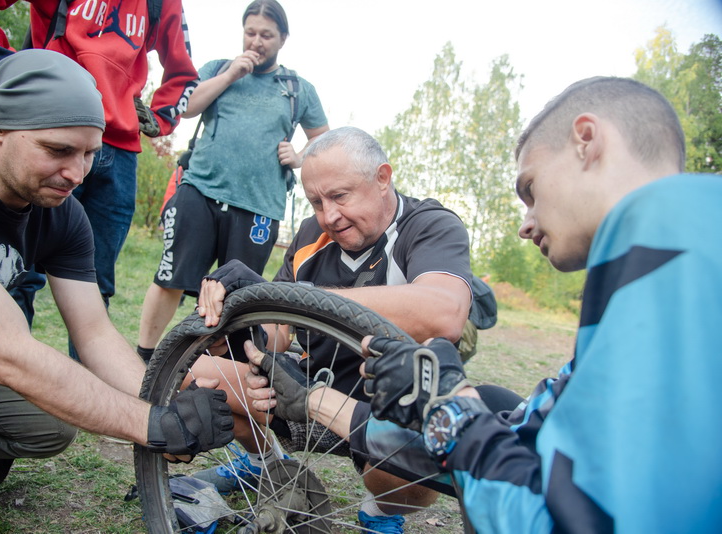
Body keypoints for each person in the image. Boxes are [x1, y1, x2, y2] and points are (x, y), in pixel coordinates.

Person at [250, 77, 722, 532]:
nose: (526, 223)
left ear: (587, 141)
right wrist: (320, 401)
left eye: (530, 189)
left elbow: (568, 519)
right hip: (345, 397)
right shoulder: (679, 245)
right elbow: (524, 444)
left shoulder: (665, 243)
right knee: (499, 404)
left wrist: (448, 410)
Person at [0, 50, 233, 490]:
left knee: (50, 423)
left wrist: (165, 403)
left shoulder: (61, 211)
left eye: (89, 153)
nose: (76, 173)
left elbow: (94, 333)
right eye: (58, 150)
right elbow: (6, 350)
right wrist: (150, 425)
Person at [193, 126, 482, 532]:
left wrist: (297, 296)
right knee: (202, 375)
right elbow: (278, 333)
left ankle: (382, 512)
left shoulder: (429, 225)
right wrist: (240, 328)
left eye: (340, 196)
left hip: (378, 411)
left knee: (410, 464)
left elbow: (444, 312)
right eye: (315, 202)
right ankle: (265, 463)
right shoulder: (314, 235)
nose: (328, 216)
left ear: (383, 178)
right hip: (302, 391)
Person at [0, 0, 199, 340]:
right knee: (17, 272)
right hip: (47, 126)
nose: (76, 172)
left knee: (95, 284)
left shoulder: (162, 3)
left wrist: (162, 116)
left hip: (119, 150)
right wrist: (5, 65)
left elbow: (184, 70)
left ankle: (87, 388)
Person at [136, 0, 329, 363]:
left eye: (266, 35)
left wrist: (301, 157)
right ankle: (143, 358)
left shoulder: (298, 88)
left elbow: (322, 136)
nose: (256, 42)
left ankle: (222, 374)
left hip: (258, 206)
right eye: (250, 33)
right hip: (201, 191)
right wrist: (229, 76)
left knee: (238, 297)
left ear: (283, 39)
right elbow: (186, 106)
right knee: (171, 278)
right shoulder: (218, 69)